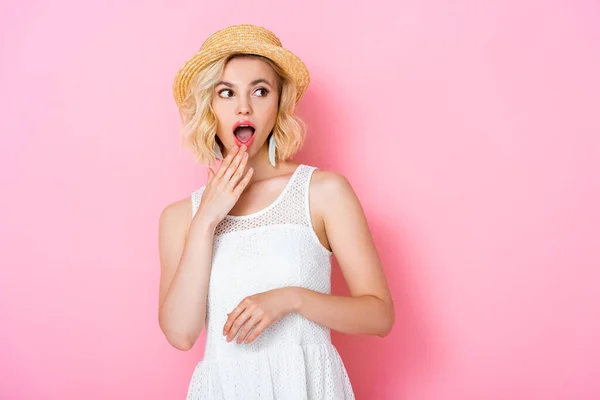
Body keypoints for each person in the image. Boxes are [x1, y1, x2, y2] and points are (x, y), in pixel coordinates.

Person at [158, 24, 395, 399]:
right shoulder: (179, 218)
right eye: (226, 92)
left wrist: (291, 298)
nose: (243, 106)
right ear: (209, 106)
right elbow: (181, 334)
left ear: (279, 103)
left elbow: (380, 316)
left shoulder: (323, 192)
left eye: (260, 90)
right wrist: (207, 219)